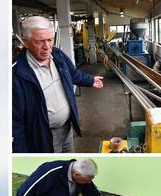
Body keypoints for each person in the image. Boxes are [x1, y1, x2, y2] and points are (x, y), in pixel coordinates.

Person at [12, 16, 105, 153]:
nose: (47, 47)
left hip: (67, 128)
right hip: (44, 136)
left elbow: (72, 74)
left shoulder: (57, 55)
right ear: (25, 42)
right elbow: (15, 124)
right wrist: (21, 155)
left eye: (50, 40)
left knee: (69, 160)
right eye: (40, 42)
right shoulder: (16, 75)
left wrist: (90, 80)